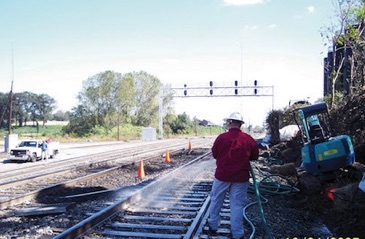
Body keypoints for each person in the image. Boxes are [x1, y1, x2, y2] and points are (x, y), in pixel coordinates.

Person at [207, 112, 259, 239]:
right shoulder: (248, 138)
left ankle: (213, 226)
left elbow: (215, 154)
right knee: (237, 204)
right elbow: (255, 156)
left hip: (222, 176)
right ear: (241, 124)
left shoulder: (221, 137)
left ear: (230, 122)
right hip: (241, 178)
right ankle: (237, 233)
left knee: (216, 200)